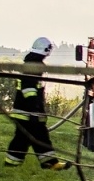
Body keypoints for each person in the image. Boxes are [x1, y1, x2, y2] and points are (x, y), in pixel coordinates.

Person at [5, 37, 68, 170]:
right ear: (45, 50)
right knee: (27, 138)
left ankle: (47, 163)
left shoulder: (32, 63)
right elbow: (29, 89)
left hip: (28, 111)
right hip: (27, 112)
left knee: (32, 137)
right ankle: (12, 166)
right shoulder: (33, 66)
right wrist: (35, 109)